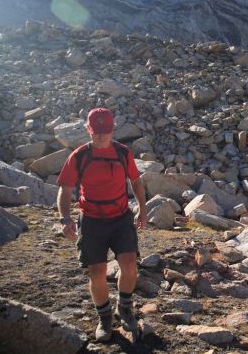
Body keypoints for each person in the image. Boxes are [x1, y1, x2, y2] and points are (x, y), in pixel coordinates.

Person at [57, 107, 148, 342]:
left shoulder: (123, 152)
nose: (100, 136)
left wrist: (142, 210)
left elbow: (136, 182)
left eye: (105, 131)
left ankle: (124, 308)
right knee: (97, 272)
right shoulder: (79, 155)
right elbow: (65, 190)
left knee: (129, 265)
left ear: (112, 129)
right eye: (96, 131)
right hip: (91, 221)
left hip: (120, 217)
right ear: (88, 129)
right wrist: (65, 219)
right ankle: (104, 317)